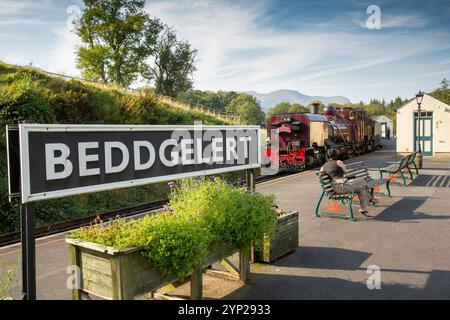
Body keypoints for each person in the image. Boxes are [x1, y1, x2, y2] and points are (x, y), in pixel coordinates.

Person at [320, 149, 375, 216]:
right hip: (343, 185)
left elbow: (320, 174)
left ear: (327, 156)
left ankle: (363, 209)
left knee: (361, 189)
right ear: (336, 155)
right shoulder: (338, 162)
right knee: (362, 180)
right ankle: (370, 197)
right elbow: (346, 171)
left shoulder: (324, 166)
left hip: (335, 188)